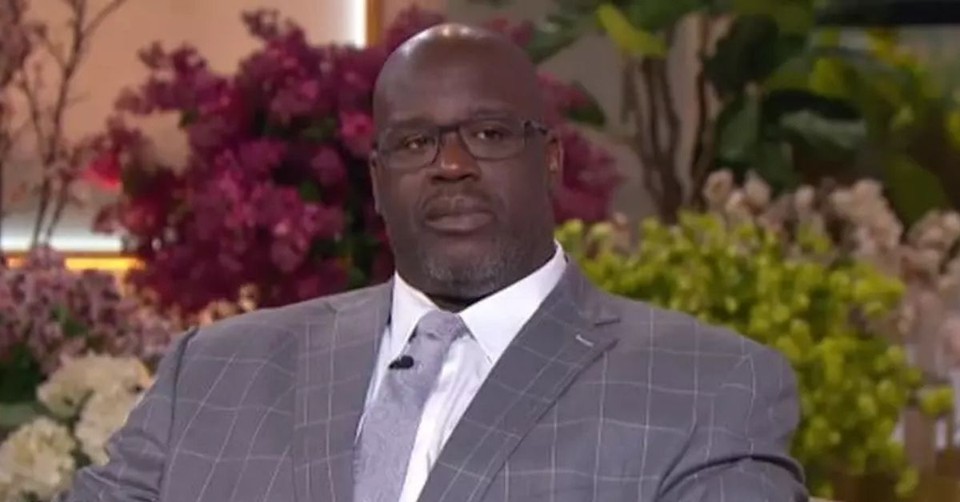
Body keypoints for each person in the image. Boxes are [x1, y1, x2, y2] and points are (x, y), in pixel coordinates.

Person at [60, 23, 808, 502]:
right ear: (378, 180)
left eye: (489, 134)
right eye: (416, 143)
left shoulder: (706, 385)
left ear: (549, 159)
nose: (451, 165)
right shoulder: (218, 369)